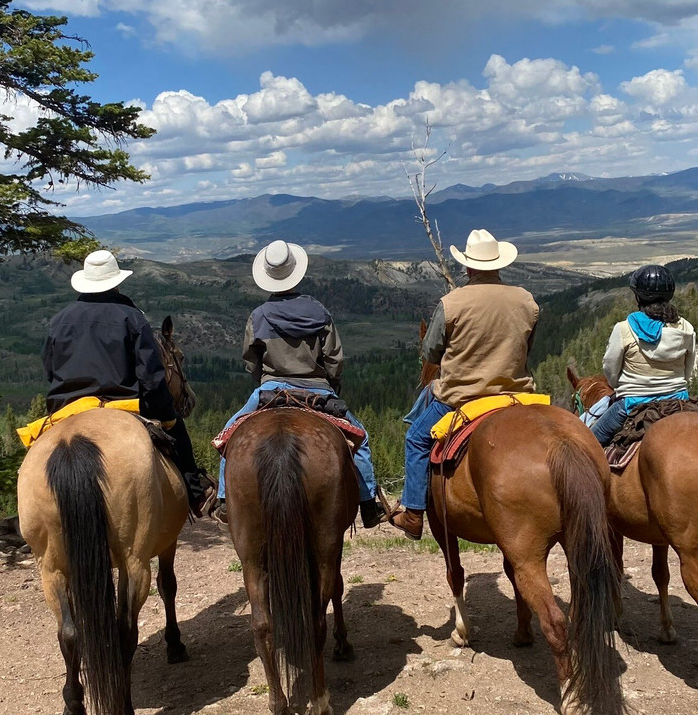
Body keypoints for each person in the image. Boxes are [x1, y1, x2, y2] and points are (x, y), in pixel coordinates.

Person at [210, 240, 387, 528]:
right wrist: (331, 384)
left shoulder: (258, 316)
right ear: (296, 273)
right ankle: (368, 504)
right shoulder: (319, 312)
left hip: (269, 391)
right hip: (318, 390)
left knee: (228, 437)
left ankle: (224, 501)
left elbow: (250, 361)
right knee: (361, 438)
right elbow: (334, 359)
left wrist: (264, 378)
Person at [42, 249, 214, 516]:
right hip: (122, 405)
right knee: (178, 429)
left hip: (67, 408)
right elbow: (150, 375)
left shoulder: (58, 320)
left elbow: (50, 370)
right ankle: (194, 493)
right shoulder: (132, 317)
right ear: (116, 281)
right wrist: (165, 411)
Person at [390, 229, 538, 540]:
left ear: (468, 267)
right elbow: (528, 346)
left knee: (416, 438)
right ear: (499, 265)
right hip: (517, 396)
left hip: (460, 399)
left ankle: (413, 513)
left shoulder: (451, 303)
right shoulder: (526, 301)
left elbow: (431, 352)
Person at [590, 264, 696, 446]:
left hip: (631, 404)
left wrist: (620, 386)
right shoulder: (686, 327)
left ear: (638, 296)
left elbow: (610, 370)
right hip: (677, 402)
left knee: (587, 447)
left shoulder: (623, 329)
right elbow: (688, 371)